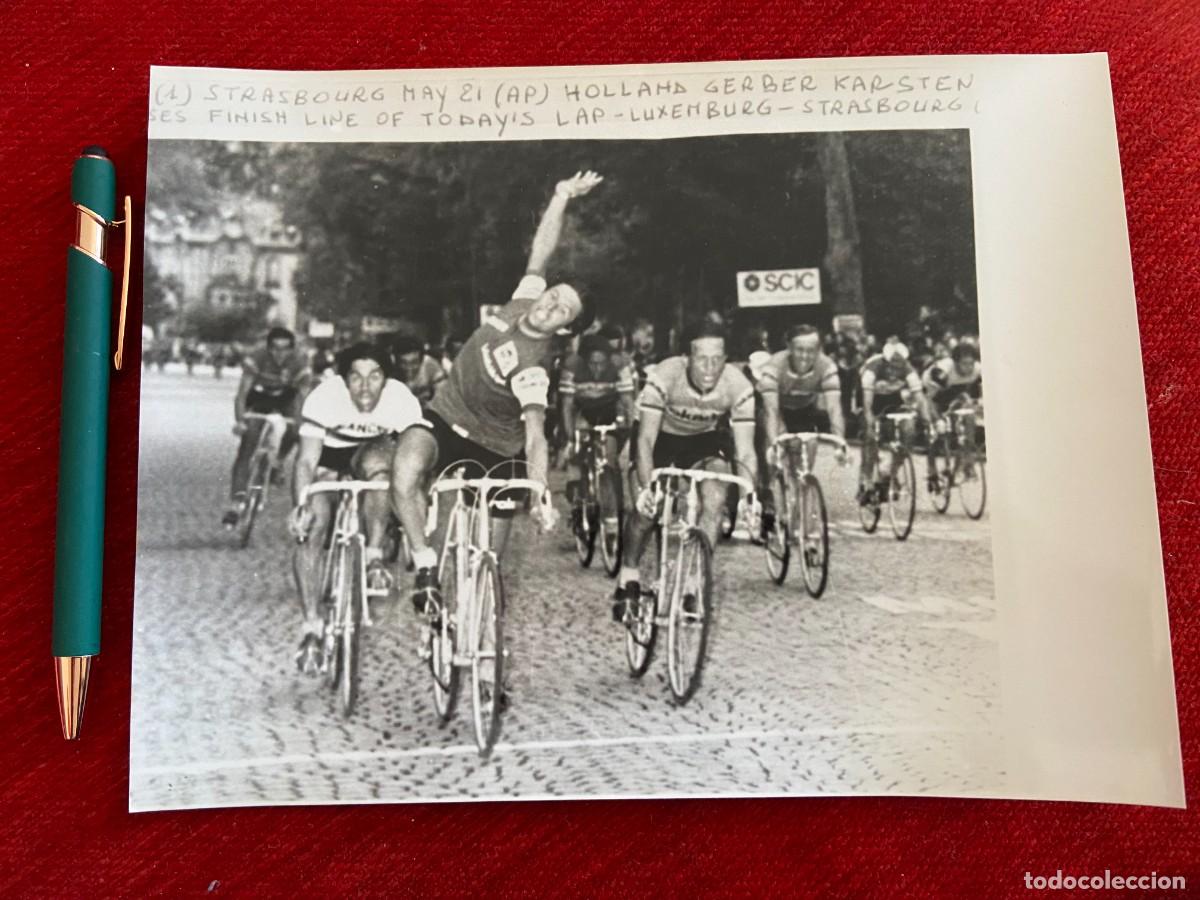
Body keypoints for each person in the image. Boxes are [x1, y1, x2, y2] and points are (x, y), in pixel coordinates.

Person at [389, 170, 605, 619]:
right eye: (554, 296)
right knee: (405, 469)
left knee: (489, 566)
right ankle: (426, 566)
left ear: (565, 327)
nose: (550, 305)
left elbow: (535, 435)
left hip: (498, 451)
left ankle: (488, 667)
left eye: (562, 309)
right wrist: (560, 196)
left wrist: (541, 489)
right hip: (447, 418)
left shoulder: (535, 368)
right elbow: (539, 256)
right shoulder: (523, 300)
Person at [289, 343, 423, 673]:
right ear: (343, 380)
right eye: (356, 378)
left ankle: (374, 557)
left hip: (372, 451)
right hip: (328, 455)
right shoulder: (323, 397)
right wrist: (302, 504)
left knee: (381, 473)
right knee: (313, 527)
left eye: (374, 377)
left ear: (386, 379)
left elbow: (413, 461)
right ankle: (311, 626)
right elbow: (306, 460)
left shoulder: (401, 399)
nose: (365, 387)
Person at [613, 322, 758, 621]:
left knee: (716, 497)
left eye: (717, 358)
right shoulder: (665, 375)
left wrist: (749, 495)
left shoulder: (739, 386)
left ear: (726, 358)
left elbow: (745, 451)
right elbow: (645, 440)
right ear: (686, 358)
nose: (709, 367)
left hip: (703, 441)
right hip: (659, 439)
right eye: (701, 358)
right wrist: (647, 487)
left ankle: (694, 582)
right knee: (645, 512)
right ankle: (628, 572)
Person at [222, 327, 308, 528]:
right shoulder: (257, 357)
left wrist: (300, 421)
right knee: (247, 446)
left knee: (295, 431)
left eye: (285, 349)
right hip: (259, 399)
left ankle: (277, 461)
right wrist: (240, 420)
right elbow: (242, 393)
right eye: (275, 349)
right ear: (268, 348)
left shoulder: (300, 361)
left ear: (292, 349)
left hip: (286, 400)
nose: (280, 353)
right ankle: (236, 503)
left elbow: (303, 396)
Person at [757, 324, 847, 482]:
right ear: (789, 348)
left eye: (811, 350)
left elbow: (834, 409)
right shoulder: (774, 366)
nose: (805, 356)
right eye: (799, 349)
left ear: (818, 350)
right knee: (776, 450)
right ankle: (769, 490)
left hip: (803, 409)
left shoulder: (826, 366)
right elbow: (771, 411)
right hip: (777, 410)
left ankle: (801, 489)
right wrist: (774, 444)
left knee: (809, 447)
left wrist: (840, 443)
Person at [560, 332, 636, 513]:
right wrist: (570, 437)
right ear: (584, 360)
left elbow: (628, 402)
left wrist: (632, 431)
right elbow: (566, 405)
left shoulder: (620, 365)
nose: (597, 368)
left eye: (602, 363)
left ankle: (614, 497)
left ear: (610, 360)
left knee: (610, 458)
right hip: (583, 411)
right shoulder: (571, 366)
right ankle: (577, 486)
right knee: (577, 449)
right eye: (592, 363)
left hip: (609, 411)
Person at [858, 337, 931, 504]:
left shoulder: (908, 369)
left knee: (908, 431)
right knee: (870, 436)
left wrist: (927, 421)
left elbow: (920, 397)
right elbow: (867, 403)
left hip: (892, 400)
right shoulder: (873, 368)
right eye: (891, 367)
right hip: (870, 399)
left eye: (898, 367)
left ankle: (889, 471)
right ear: (885, 361)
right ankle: (867, 481)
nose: (894, 372)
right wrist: (869, 421)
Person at [922, 341, 983, 490]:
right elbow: (928, 400)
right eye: (964, 364)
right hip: (934, 396)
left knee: (968, 419)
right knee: (937, 432)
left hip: (957, 394)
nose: (968, 368)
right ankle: (931, 469)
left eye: (971, 364)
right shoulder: (942, 372)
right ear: (955, 363)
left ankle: (966, 463)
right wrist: (937, 420)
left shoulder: (978, 369)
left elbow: (979, 393)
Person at [389, 333, 447, 407]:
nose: (409, 368)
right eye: (403, 363)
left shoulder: (430, 365)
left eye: (414, 363)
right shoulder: (388, 369)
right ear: (395, 361)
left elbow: (443, 395)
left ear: (422, 360)